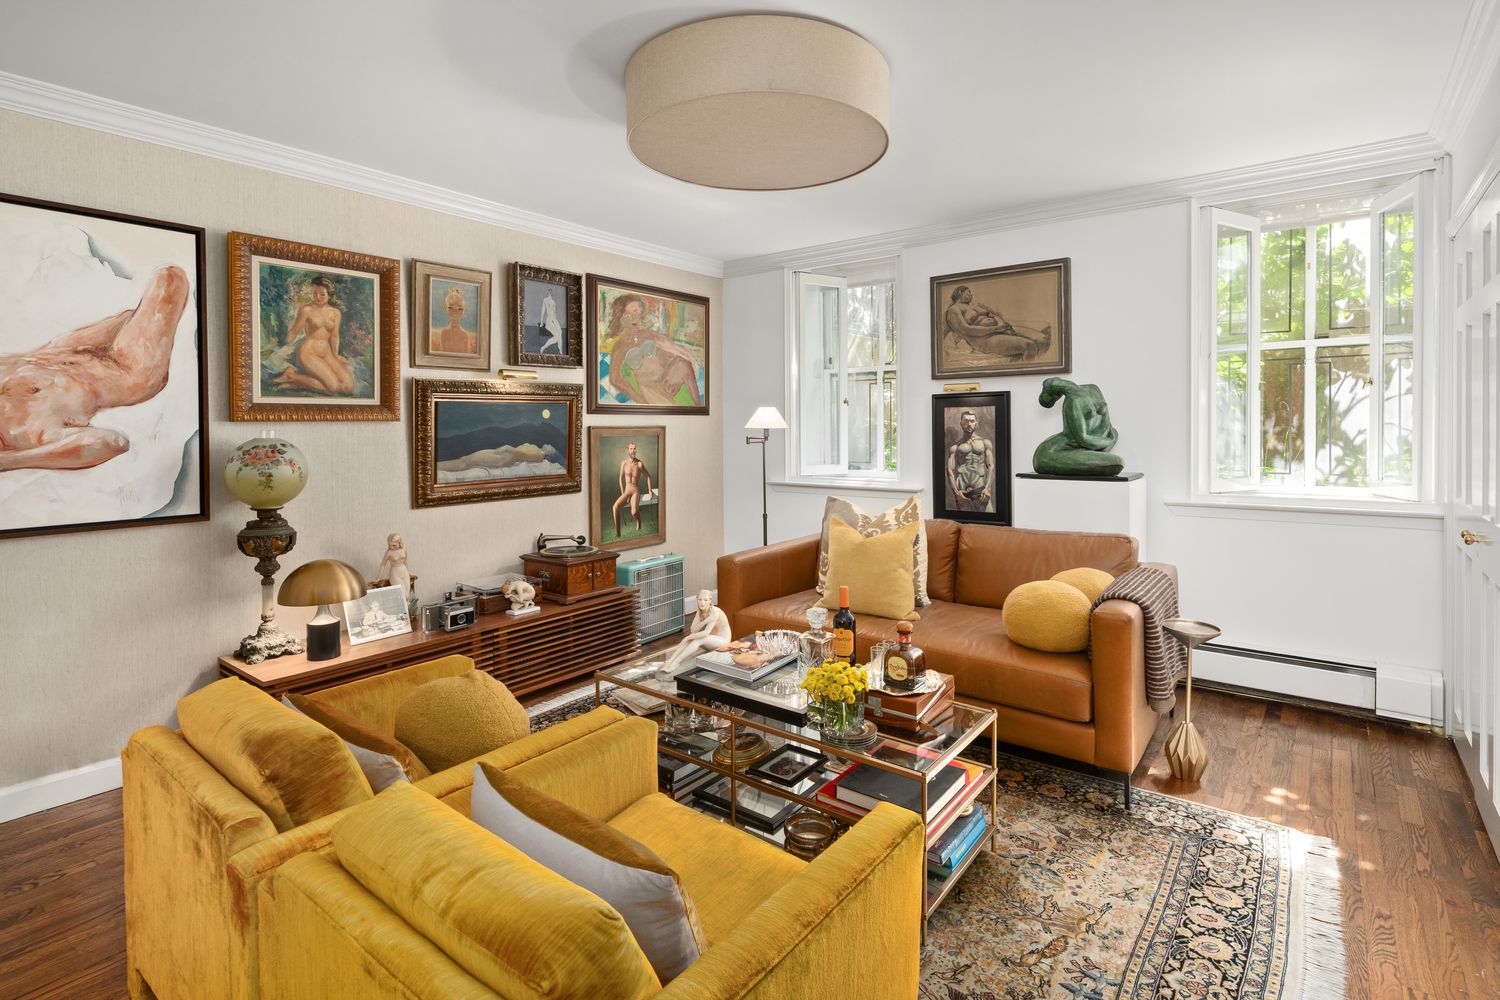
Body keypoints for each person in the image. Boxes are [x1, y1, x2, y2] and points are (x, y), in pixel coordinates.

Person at [0, 265, 188, 473]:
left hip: (62, 349)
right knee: (170, 278)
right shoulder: (24, 432)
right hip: (125, 371)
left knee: (130, 315)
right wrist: (12, 461)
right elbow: (112, 442)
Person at [605, 293, 702, 406]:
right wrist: (640, 399)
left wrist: (692, 363)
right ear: (621, 316)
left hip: (665, 381)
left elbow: (676, 349)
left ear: (641, 311)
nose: (633, 316)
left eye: (636, 311)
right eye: (628, 313)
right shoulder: (620, 345)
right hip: (649, 388)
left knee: (682, 363)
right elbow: (615, 379)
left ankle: (699, 406)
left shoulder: (650, 335)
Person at [271, 276, 356, 395]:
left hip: (327, 353)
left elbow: (335, 336)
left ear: (330, 295)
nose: (318, 297)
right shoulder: (306, 309)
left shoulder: (336, 313)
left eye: (322, 294)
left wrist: (336, 355)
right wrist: (283, 346)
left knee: (348, 387)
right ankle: (290, 376)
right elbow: (294, 331)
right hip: (308, 352)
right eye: (315, 293)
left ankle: (299, 382)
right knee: (333, 387)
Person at [1032, 377, 1124, 476]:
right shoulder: (1084, 394)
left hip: (1085, 443)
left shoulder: (1084, 394)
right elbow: (1083, 439)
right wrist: (1108, 441)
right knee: (1116, 461)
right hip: (1048, 453)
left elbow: (1106, 426)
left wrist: (1108, 439)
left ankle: (1090, 454)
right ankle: (1090, 454)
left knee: (1114, 435)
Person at [943, 285, 1051, 361]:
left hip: (1000, 329)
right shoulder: (954, 309)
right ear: (960, 293)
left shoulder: (973, 306)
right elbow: (966, 329)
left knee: (1042, 338)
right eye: (968, 292)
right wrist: (996, 329)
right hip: (984, 338)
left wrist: (1005, 328)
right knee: (1029, 346)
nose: (971, 295)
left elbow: (993, 315)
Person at [662, 589, 732, 673]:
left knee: (698, 638)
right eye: (700, 599)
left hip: (723, 641)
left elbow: (705, 633)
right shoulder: (700, 611)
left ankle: (676, 663)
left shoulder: (714, 612)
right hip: (711, 639)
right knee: (692, 637)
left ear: (710, 601)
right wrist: (705, 621)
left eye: (705, 600)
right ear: (697, 600)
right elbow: (693, 629)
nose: (702, 602)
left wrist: (688, 637)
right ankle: (671, 661)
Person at [946, 409, 995, 511]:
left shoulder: (985, 443)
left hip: (981, 490)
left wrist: (987, 488)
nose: (969, 424)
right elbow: (950, 470)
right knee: (965, 522)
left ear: (976, 423)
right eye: (966, 421)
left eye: (972, 421)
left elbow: (991, 466)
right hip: (962, 491)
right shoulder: (955, 447)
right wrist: (956, 493)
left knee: (989, 521)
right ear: (961, 423)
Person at [612, 440, 657, 537]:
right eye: (631, 448)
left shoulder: (639, 464)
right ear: (627, 450)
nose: (633, 450)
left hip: (635, 491)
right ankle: (618, 533)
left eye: (634, 448)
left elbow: (648, 476)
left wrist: (650, 490)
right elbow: (621, 479)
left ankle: (639, 521)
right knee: (615, 507)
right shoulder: (623, 463)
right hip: (626, 491)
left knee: (634, 512)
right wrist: (623, 493)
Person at [430, 284, 476, 355]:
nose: (455, 311)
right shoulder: (444, 333)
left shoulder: (465, 335)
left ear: (465, 310)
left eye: (460, 308)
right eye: (450, 308)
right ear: (445, 308)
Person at [375, 533, 413, 604]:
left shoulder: (404, 549)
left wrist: (408, 571)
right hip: (395, 574)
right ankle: (403, 613)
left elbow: (406, 561)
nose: (391, 547)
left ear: (399, 542)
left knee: (408, 595)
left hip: (404, 571)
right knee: (404, 596)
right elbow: (383, 564)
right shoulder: (389, 552)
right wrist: (378, 577)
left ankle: (406, 614)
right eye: (389, 545)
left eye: (394, 545)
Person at [537, 289, 563, 354]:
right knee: (557, 336)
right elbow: (543, 310)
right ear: (547, 292)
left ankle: (560, 350)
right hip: (549, 321)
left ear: (552, 293)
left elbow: (555, 313)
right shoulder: (545, 300)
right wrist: (541, 322)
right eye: (549, 291)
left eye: (551, 291)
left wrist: (556, 322)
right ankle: (543, 347)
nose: (550, 292)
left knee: (560, 335)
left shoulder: (554, 302)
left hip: (555, 320)